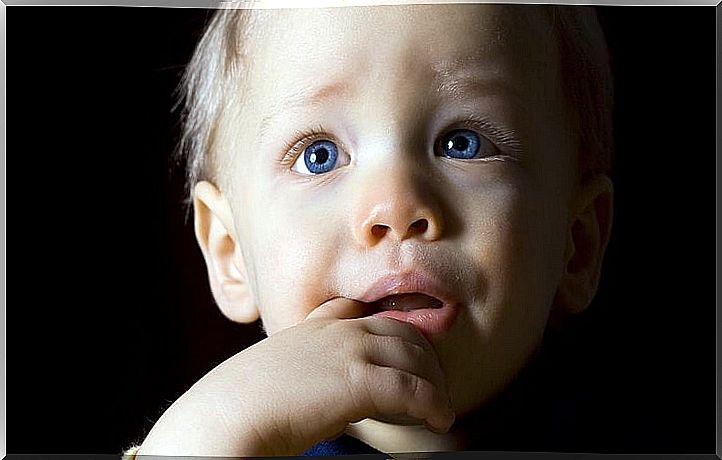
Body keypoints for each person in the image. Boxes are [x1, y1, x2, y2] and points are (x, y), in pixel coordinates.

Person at [129, 3, 614, 457]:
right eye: (319, 156)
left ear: (578, 243)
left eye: (462, 143)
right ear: (229, 251)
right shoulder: (234, 445)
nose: (395, 207)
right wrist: (203, 435)